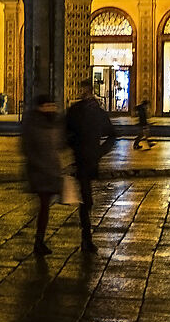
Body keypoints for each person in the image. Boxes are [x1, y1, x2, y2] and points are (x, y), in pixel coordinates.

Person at [62, 89, 115, 251]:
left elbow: (112, 134)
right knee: (87, 198)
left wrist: (98, 150)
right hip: (85, 160)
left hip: (87, 159)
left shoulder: (90, 112)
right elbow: (65, 132)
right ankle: (86, 238)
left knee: (87, 199)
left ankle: (86, 237)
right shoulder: (81, 112)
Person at [20, 94, 66, 255]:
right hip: (39, 172)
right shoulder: (33, 124)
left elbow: (59, 144)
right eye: (47, 105)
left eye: (52, 105)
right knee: (44, 207)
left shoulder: (54, 123)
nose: (51, 108)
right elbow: (27, 149)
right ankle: (38, 242)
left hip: (52, 171)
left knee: (45, 208)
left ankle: (39, 240)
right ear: (40, 106)